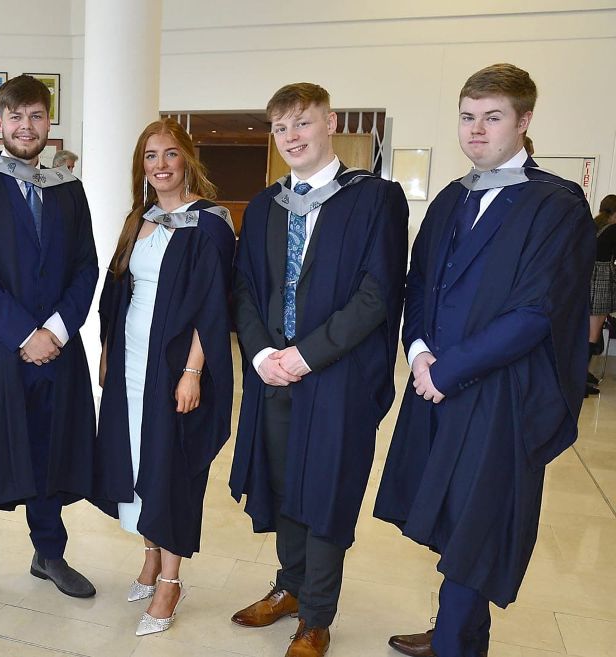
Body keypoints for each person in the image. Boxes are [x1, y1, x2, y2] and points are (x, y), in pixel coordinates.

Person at [376, 63, 595, 657]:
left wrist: (446, 371)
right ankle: (457, 628)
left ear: (524, 122)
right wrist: (419, 351)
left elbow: (537, 311)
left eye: (492, 117)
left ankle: (454, 643)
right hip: (436, 383)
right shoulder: (453, 196)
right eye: (468, 117)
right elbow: (419, 283)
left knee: (479, 524)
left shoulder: (555, 203)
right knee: (450, 514)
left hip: (502, 393)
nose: (476, 130)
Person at [229, 82, 408, 657]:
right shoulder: (264, 206)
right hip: (273, 371)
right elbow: (246, 291)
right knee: (283, 483)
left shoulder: (374, 199)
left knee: (327, 488)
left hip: (337, 375)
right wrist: (260, 354)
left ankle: (317, 615)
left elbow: (378, 293)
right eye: (280, 128)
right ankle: (289, 586)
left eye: (302, 123)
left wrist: (306, 355)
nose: (292, 137)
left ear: (331, 123)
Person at [0, 75, 100, 622]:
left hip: (56, 351)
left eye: (35, 116)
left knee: (48, 454)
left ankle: (49, 555)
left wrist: (55, 331)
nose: (25, 127)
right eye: (15, 117)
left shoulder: (66, 189)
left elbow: (86, 266)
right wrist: (24, 335)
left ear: (48, 122)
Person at [93, 118, 236, 636]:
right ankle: (150, 558)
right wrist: (108, 352)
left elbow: (214, 306)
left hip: (175, 366)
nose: (161, 165)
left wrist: (193, 370)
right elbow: (117, 295)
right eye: (150, 156)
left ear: (188, 159)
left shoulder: (211, 224)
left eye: (170, 154)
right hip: (133, 363)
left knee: (171, 467)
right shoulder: (140, 220)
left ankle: (171, 582)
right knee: (137, 458)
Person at [588, 194, 616, 394]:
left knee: (583, 332)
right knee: (593, 333)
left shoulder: (593, 225)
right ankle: (580, 380)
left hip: (585, 281)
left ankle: (581, 373)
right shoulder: (613, 230)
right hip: (601, 281)